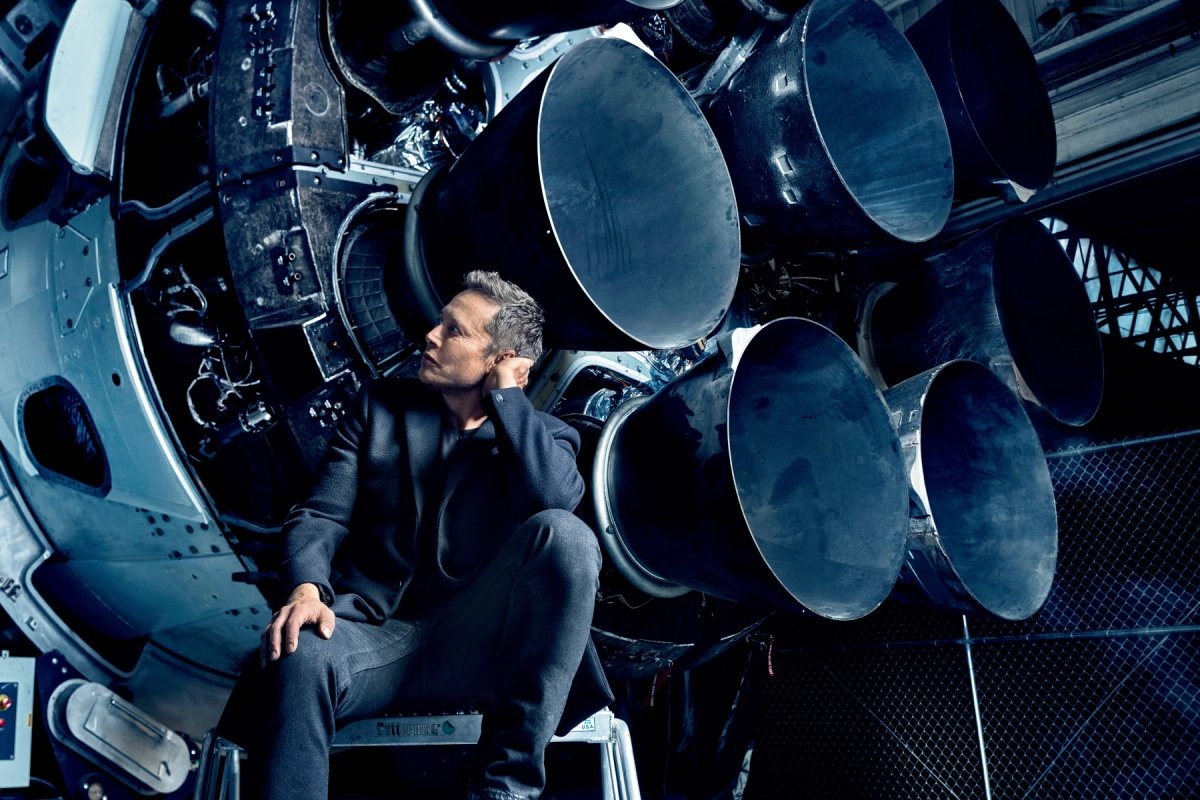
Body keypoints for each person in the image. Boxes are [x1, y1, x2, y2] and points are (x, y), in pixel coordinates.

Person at [218, 270, 613, 799]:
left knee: (566, 535)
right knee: (302, 654)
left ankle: (504, 790)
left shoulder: (545, 438)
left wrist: (507, 400)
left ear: (500, 359)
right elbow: (321, 515)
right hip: (373, 637)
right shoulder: (379, 407)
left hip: (477, 649)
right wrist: (306, 589)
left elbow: (556, 502)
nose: (431, 335)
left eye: (455, 330)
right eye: (440, 321)